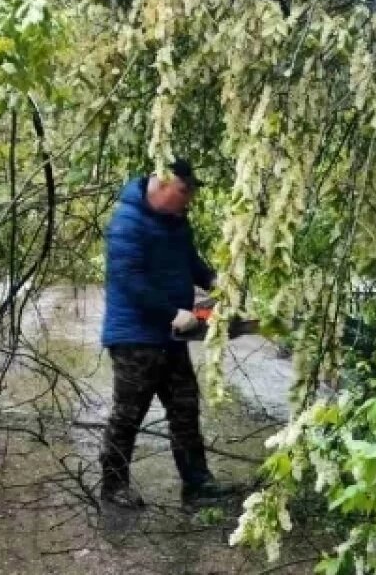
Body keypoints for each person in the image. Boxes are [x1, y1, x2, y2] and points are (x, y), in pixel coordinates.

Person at [98, 158, 228, 508]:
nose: (188, 201)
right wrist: (173, 312)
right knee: (128, 414)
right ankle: (114, 487)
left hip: (173, 336)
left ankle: (198, 483)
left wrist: (217, 281)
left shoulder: (176, 222)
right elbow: (130, 280)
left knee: (185, 408)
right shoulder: (128, 221)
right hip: (135, 337)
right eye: (184, 192)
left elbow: (190, 262)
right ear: (164, 183)